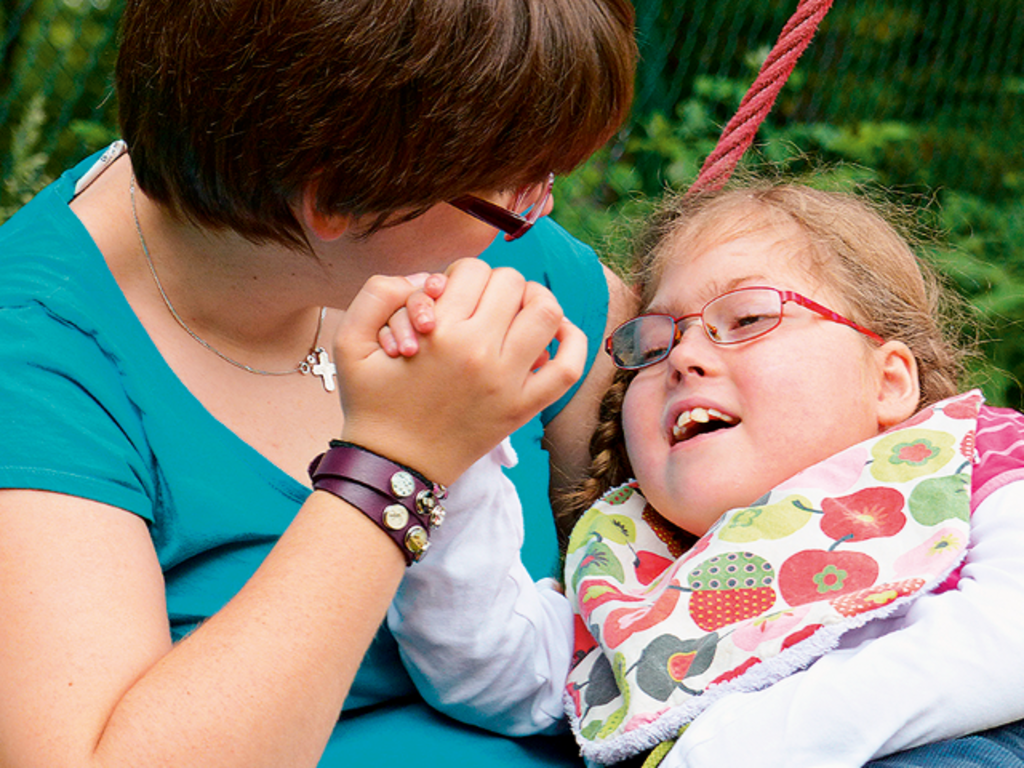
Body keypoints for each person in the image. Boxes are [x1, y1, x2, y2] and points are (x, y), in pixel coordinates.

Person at [0, 0, 638, 765]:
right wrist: (395, 464)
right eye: (513, 191)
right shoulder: (39, 367)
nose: (537, 212)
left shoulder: (483, 249)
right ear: (338, 195)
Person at [387, 180, 1024, 767]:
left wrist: (736, 744)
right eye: (653, 343)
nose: (685, 356)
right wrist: (455, 453)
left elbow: (1005, 637)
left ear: (888, 383)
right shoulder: (635, 568)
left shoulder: (976, 462)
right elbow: (488, 672)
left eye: (746, 319)